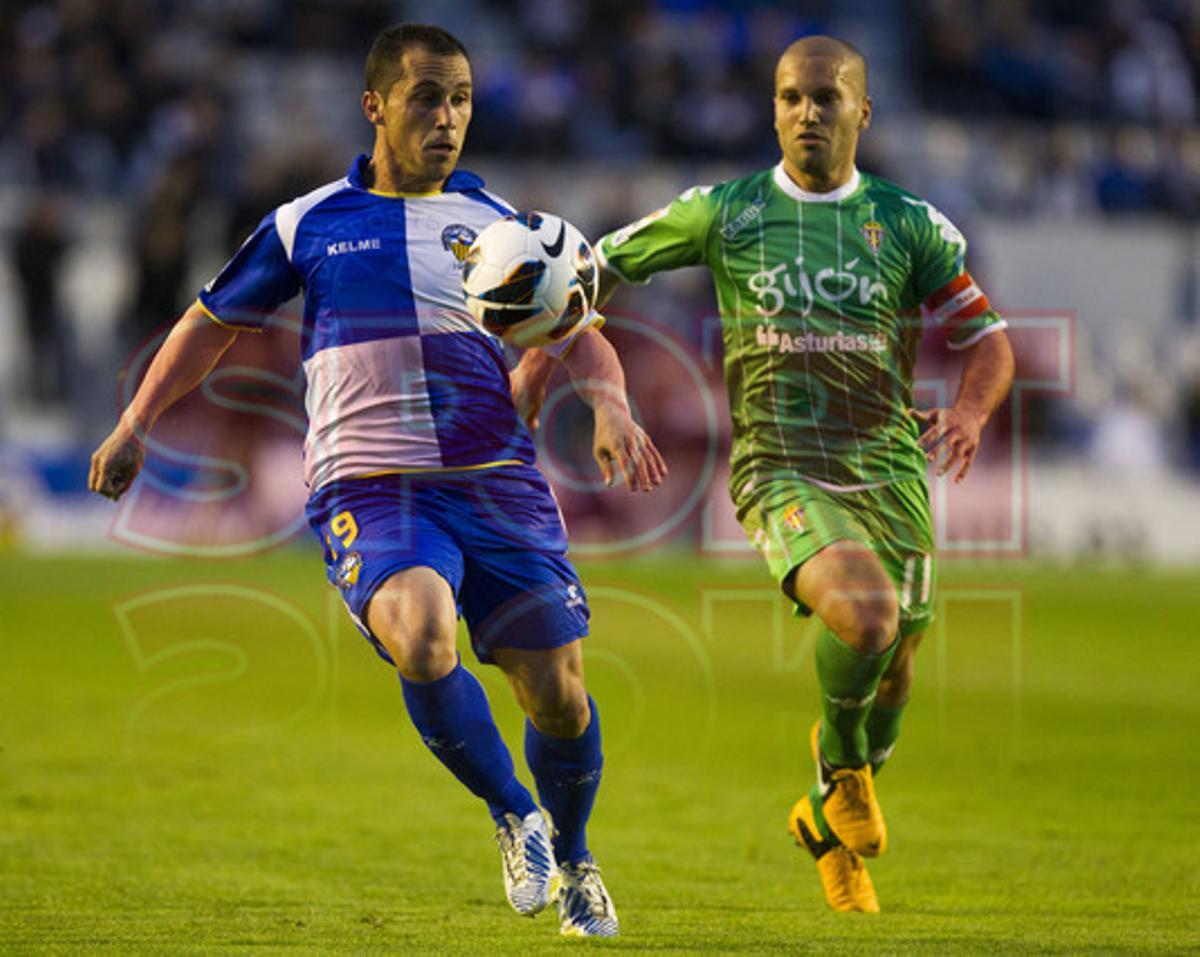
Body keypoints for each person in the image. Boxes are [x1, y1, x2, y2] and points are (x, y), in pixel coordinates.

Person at [89, 23, 667, 938]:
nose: (448, 118)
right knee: (424, 636)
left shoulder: (499, 227)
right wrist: (135, 421)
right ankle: (514, 811)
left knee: (559, 695)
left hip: (495, 481)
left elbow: (580, 333)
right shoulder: (306, 223)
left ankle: (577, 857)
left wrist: (610, 407)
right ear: (376, 106)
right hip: (370, 485)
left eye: (462, 100)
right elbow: (209, 322)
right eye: (427, 98)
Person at [516, 35, 1015, 913]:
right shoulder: (725, 211)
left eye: (826, 98)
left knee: (896, 667)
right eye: (790, 97)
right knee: (867, 616)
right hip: (780, 465)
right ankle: (842, 769)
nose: (806, 113)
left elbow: (990, 341)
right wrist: (545, 363)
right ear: (773, 110)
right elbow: (592, 270)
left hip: (890, 468)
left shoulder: (911, 223)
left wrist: (971, 412)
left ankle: (823, 814)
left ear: (864, 111)